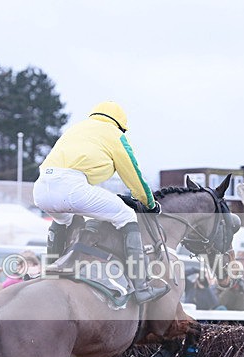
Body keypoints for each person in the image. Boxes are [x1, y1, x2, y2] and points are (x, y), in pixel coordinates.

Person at [32, 101, 166, 304]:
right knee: (126, 216)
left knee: (63, 220)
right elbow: (133, 175)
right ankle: (142, 287)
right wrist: (149, 203)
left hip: (41, 188)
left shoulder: (76, 129)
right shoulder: (115, 135)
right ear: (120, 125)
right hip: (71, 187)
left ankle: (53, 268)